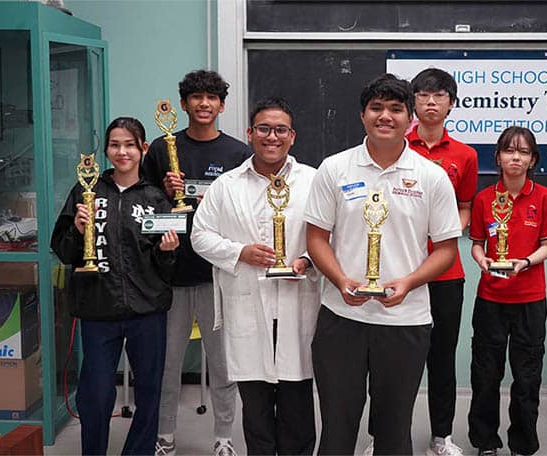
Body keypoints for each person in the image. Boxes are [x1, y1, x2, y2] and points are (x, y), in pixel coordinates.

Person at [305, 73, 461, 455]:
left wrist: (408, 281)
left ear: (410, 118)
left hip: (405, 321)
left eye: (395, 108)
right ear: (362, 115)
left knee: (394, 431)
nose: (385, 116)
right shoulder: (334, 169)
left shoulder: (432, 176)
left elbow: (445, 250)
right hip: (342, 317)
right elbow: (315, 239)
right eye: (377, 108)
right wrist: (341, 279)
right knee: (337, 427)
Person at [190, 96, 320, 456]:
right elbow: (200, 236)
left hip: (296, 304)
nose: (271, 137)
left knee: (297, 405)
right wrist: (239, 253)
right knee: (256, 408)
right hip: (246, 304)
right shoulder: (227, 185)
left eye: (280, 130)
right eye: (263, 129)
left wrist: (307, 260)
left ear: (292, 136)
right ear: (250, 133)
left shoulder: (314, 180)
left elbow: (332, 235)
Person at [51, 117, 180, 455]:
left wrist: (167, 252)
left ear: (143, 149)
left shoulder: (155, 197)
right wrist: (78, 231)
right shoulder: (86, 190)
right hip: (97, 309)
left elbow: (166, 268)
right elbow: (63, 250)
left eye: (129, 145)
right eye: (115, 145)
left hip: (147, 310)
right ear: (106, 150)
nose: (122, 152)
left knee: (149, 390)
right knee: (96, 393)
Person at [143, 70, 250, 456]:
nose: (204, 103)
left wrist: (211, 207)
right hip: (170, 276)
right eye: (196, 97)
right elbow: (146, 211)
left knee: (223, 366)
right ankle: (164, 437)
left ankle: (224, 437)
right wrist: (166, 195)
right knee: (167, 367)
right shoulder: (160, 148)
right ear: (184, 103)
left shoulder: (238, 154)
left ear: (222, 105)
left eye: (211, 97)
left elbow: (244, 215)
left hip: (218, 277)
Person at [467, 126, 547, 456]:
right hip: (490, 298)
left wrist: (524, 262)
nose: (515, 157)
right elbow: (477, 244)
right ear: (498, 157)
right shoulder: (483, 199)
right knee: (486, 375)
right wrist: (484, 261)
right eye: (509, 151)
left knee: (526, 377)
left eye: (522, 152)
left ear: (533, 159)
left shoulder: (545, 197)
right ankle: (485, 442)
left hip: (530, 300)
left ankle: (522, 444)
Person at [407, 68, 478, 456]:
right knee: (393, 357)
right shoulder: (396, 146)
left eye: (439, 95)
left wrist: (447, 237)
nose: (430, 102)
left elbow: (465, 206)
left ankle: (441, 436)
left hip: (447, 272)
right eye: (423, 95)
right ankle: (384, 435)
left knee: (442, 356)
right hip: (401, 270)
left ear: (451, 103)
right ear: (413, 102)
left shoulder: (464, 155)